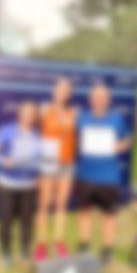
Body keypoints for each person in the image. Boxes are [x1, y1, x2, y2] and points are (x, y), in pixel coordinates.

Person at [75, 84, 132, 264]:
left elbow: (127, 141)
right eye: (96, 97)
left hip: (109, 177)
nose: (99, 100)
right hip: (86, 175)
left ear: (107, 100)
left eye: (102, 97)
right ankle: (84, 246)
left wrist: (117, 146)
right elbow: (74, 140)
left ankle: (107, 251)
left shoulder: (116, 120)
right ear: (91, 100)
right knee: (85, 213)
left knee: (108, 215)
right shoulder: (82, 119)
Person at [0, 101, 43, 266]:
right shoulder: (6, 131)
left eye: (32, 114)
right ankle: (6, 252)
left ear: (34, 117)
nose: (29, 117)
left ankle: (25, 250)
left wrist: (40, 169)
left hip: (28, 185)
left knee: (27, 220)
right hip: (7, 184)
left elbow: (40, 160)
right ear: (20, 114)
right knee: (6, 219)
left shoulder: (37, 136)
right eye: (26, 113)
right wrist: (3, 161)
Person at [35, 77, 78, 261]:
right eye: (60, 90)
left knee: (61, 204)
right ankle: (42, 245)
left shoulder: (74, 113)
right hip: (48, 162)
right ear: (55, 92)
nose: (63, 93)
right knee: (44, 204)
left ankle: (59, 242)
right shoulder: (44, 110)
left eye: (66, 91)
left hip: (66, 163)